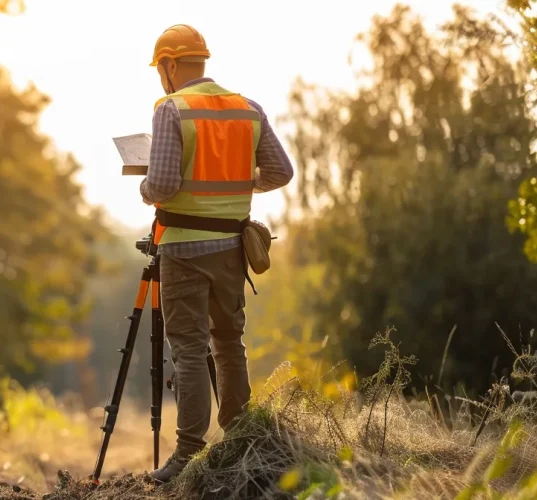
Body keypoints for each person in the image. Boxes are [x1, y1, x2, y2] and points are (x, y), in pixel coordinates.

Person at [139, 24, 294, 484]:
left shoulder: (171, 110)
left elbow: (163, 185)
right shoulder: (248, 108)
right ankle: (241, 439)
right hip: (232, 248)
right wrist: (241, 182)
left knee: (188, 348)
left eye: (160, 69)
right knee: (229, 342)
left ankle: (188, 454)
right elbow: (281, 172)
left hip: (184, 249)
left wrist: (145, 188)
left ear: (169, 65)